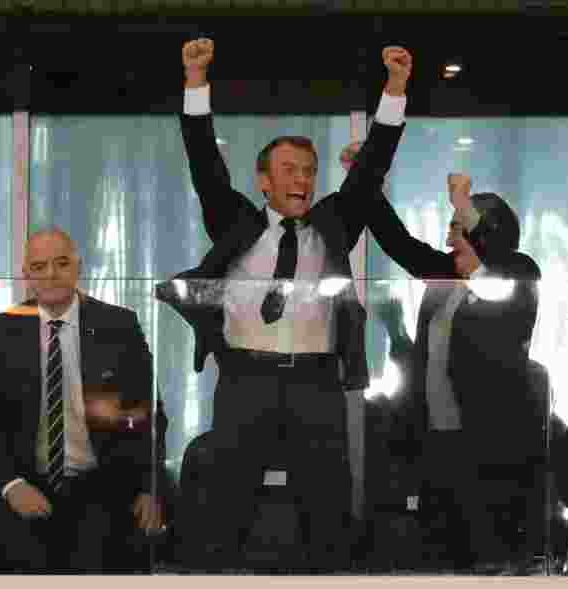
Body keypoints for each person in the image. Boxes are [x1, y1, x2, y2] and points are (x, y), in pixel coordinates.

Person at [155, 38, 410, 571]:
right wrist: (195, 82)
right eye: (289, 170)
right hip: (246, 380)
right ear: (264, 181)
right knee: (227, 508)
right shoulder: (237, 220)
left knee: (327, 511)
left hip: (315, 383)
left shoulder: (333, 223)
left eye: (308, 171)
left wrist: (394, 91)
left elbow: (372, 165)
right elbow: (204, 163)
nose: (301, 180)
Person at [358, 165, 541, 570]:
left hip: (488, 443)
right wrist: (364, 179)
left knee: (486, 555)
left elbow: (498, 298)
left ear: (485, 232)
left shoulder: (519, 272)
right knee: (440, 555)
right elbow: (397, 242)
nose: (447, 237)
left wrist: (465, 206)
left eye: (456, 227)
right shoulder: (447, 275)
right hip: (435, 439)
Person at [0, 227, 166, 573]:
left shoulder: (118, 325)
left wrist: (149, 487)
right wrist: (11, 484)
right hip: (27, 483)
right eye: (40, 266)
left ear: (78, 266)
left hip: (102, 485)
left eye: (61, 263)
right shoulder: (3, 331)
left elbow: (149, 414)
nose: (51, 274)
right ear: (26, 275)